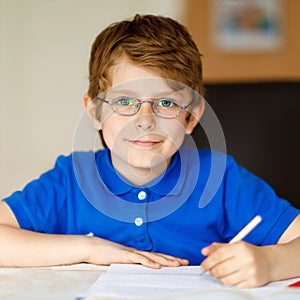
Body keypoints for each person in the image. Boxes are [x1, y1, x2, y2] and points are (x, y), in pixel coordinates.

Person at [0, 14, 299, 288]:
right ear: (94, 112)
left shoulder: (219, 180)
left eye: (166, 103)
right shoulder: (70, 180)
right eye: (125, 101)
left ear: (191, 117)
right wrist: (89, 249)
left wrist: (270, 262)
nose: (144, 121)